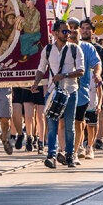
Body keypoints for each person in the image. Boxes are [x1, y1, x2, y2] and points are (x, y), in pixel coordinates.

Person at [34, 20, 83, 169]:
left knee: (69, 125)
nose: (68, 34)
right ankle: (52, 155)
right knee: (52, 125)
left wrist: (65, 75)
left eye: (69, 31)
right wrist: (35, 83)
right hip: (53, 91)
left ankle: (69, 154)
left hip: (70, 91)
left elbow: (81, 71)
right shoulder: (48, 49)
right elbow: (41, 68)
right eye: (64, 31)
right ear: (54, 33)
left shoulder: (75, 49)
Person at [70, 19, 100, 163]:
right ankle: (63, 151)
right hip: (64, 91)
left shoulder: (87, 48)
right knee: (63, 123)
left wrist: (97, 73)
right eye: (70, 28)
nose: (73, 30)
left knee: (78, 122)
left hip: (82, 92)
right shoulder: (58, 47)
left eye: (76, 28)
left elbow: (97, 63)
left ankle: (76, 151)